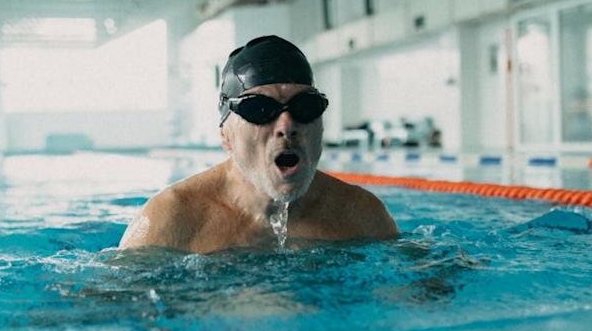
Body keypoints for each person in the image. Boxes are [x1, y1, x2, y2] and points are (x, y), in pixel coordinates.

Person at [120, 35, 399, 253]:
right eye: (260, 110)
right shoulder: (171, 219)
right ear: (225, 135)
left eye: (305, 106)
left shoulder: (361, 215)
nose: (287, 125)